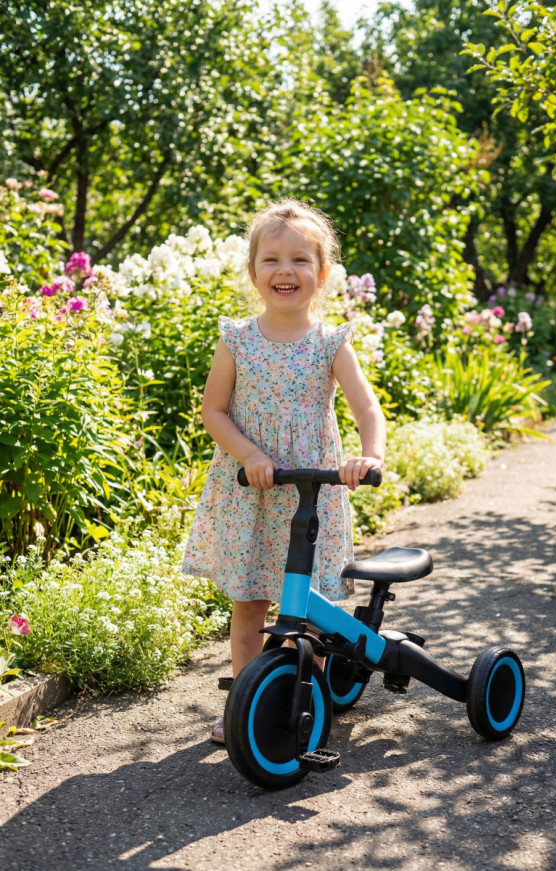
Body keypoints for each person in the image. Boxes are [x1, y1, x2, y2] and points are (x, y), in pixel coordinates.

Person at [182, 199, 386, 743]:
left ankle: (307, 702)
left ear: (320, 273)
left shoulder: (329, 343)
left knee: (311, 613)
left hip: (310, 495)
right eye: (271, 260)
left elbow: (367, 409)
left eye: (299, 260)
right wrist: (250, 454)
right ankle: (247, 710)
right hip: (252, 489)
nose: (285, 271)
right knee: (249, 603)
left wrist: (368, 455)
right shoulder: (238, 340)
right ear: (253, 273)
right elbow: (214, 411)